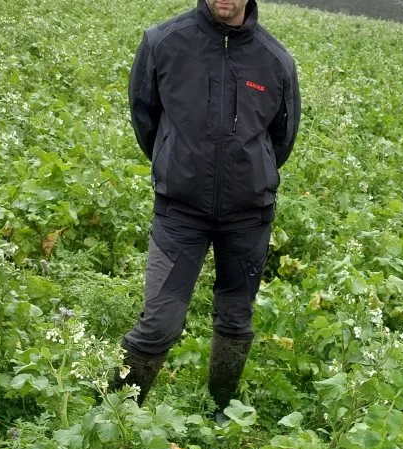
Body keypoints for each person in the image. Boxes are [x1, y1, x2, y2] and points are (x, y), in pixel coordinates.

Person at [114, 0, 301, 420]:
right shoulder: (163, 42)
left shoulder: (275, 60)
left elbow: (281, 137)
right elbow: (145, 117)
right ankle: (116, 416)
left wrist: (247, 175)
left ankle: (220, 410)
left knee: (236, 320)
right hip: (180, 212)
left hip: (248, 216)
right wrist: (176, 164)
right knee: (159, 322)